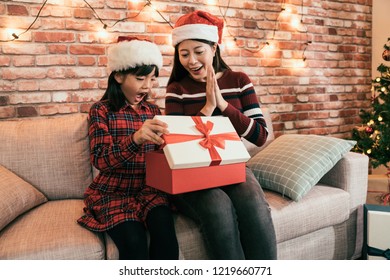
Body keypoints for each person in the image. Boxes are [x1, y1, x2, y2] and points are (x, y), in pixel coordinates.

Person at [165, 10, 277, 260]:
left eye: (198, 52)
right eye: (184, 54)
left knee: (253, 203)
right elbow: (177, 146)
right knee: (217, 205)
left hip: (231, 165)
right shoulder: (177, 89)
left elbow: (260, 135)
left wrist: (224, 105)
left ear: (214, 48)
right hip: (191, 173)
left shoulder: (239, 80)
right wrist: (207, 107)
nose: (191, 61)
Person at [77, 36, 179, 260]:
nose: (148, 87)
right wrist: (135, 139)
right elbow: (100, 159)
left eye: (152, 79)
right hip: (113, 193)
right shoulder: (101, 111)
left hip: (149, 191)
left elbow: (160, 156)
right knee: (134, 244)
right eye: (141, 78)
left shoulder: (152, 111)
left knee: (167, 239)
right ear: (119, 75)